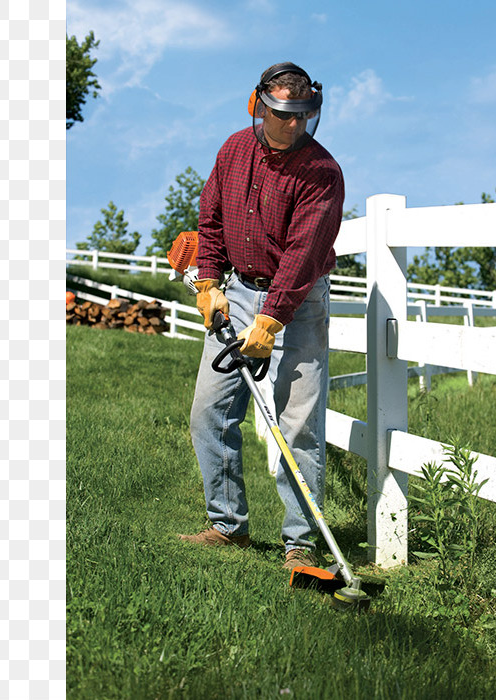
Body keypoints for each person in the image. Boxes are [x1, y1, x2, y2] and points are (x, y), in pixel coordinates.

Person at [178, 62, 345, 572]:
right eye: (281, 115)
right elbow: (211, 220)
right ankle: (228, 526)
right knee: (210, 409)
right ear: (258, 107)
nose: (292, 126)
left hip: (298, 303)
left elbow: (301, 256)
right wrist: (209, 283)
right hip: (239, 292)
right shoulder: (233, 150)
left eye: (302, 116)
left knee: (298, 424)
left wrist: (270, 323)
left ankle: (300, 542)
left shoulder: (322, 173)